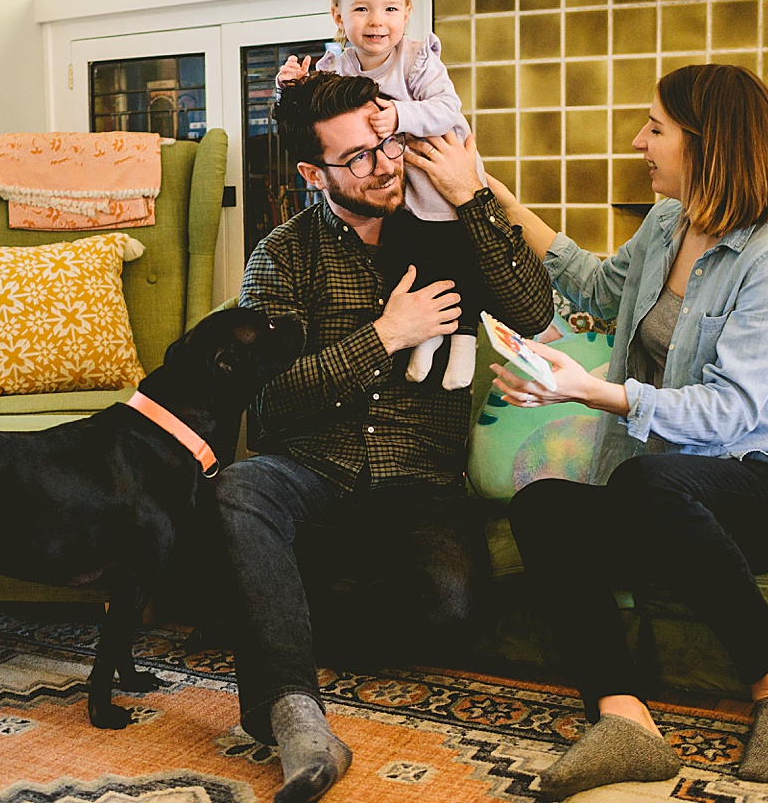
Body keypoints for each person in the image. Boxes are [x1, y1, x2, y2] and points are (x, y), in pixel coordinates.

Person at [485, 63, 768, 800]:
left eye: (656, 127)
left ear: (704, 144)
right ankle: (624, 719)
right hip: (672, 500)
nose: (639, 141)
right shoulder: (665, 225)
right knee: (542, 504)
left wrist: (594, 391)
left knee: (645, 480)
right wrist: (488, 193)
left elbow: (730, 412)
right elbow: (591, 283)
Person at [215, 70, 552, 803]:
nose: (386, 163)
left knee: (452, 609)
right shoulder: (282, 255)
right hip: (311, 469)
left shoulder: (450, 229)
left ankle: (271, 609)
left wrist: (474, 197)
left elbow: (532, 308)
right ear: (313, 173)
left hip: (418, 480)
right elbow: (264, 407)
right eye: (358, 157)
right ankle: (294, 714)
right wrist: (383, 336)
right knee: (239, 489)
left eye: (387, 141)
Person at [278, 0, 487, 389]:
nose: (377, 21)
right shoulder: (336, 65)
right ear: (338, 16)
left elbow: (449, 108)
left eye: (390, 9)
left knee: (456, 250)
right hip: (397, 176)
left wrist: (399, 117)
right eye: (361, 9)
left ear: (407, 13)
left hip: (438, 169)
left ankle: (463, 338)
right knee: (409, 256)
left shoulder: (416, 59)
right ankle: (425, 337)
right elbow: (310, 110)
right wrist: (290, 84)